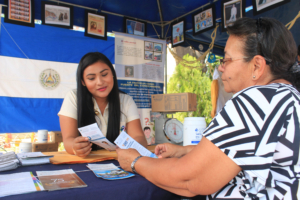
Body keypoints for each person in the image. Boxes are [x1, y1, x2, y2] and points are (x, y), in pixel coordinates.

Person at [116, 17, 300, 199]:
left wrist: (134, 161)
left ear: (257, 66)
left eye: (227, 60)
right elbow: (244, 154)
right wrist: (186, 151)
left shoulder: (256, 100)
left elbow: (189, 179)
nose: (221, 68)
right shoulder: (288, 96)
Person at [58, 52, 147, 157]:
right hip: (85, 161)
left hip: (120, 162)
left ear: (112, 73)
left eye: (104, 74)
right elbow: (68, 140)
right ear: (83, 82)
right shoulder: (73, 97)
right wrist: (75, 146)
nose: (100, 82)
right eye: (91, 78)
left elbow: (138, 137)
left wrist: (134, 147)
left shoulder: (126, 100)